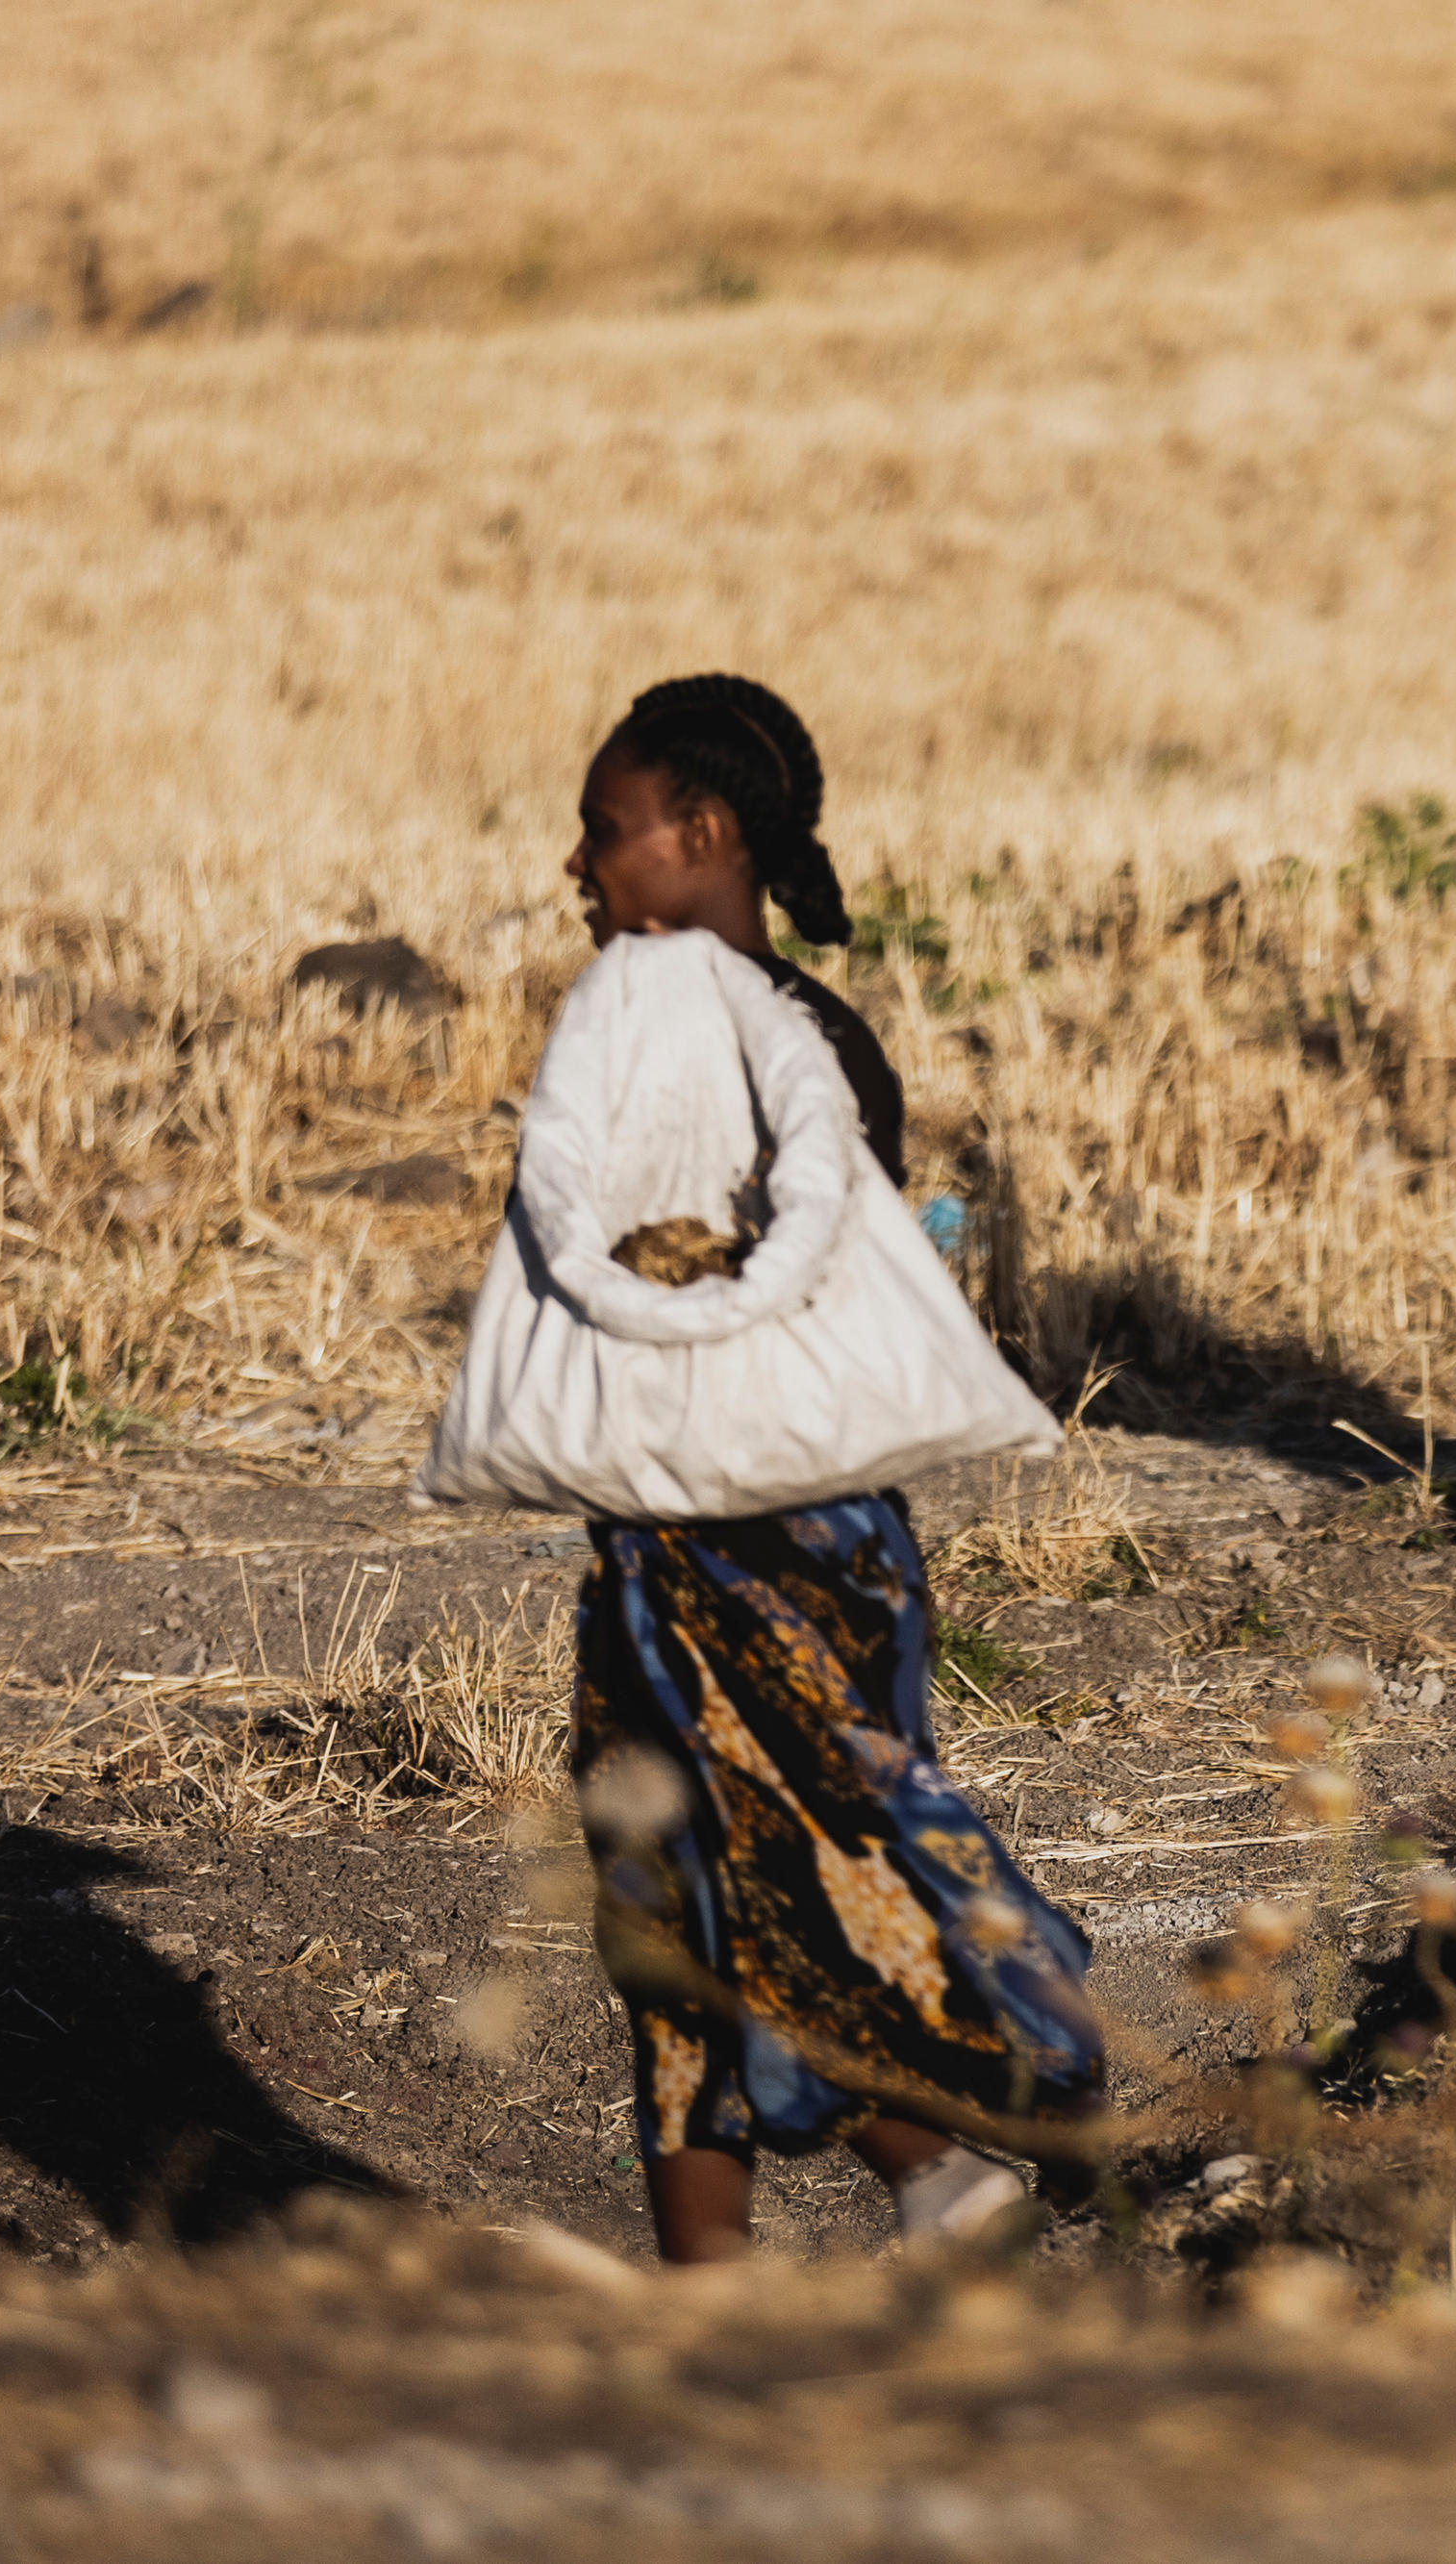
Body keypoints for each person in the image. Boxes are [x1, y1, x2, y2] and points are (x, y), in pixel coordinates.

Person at [559, 672, 1103, 2260]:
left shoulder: (693, 1046)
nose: (578, 865)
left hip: (734, 1537)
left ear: (703, 834)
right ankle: (899, 2191)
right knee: (690, 1896)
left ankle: (1013, 2106)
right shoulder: (817, 1032)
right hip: (793, 1531)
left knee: (750, 1887)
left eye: (606, 830)